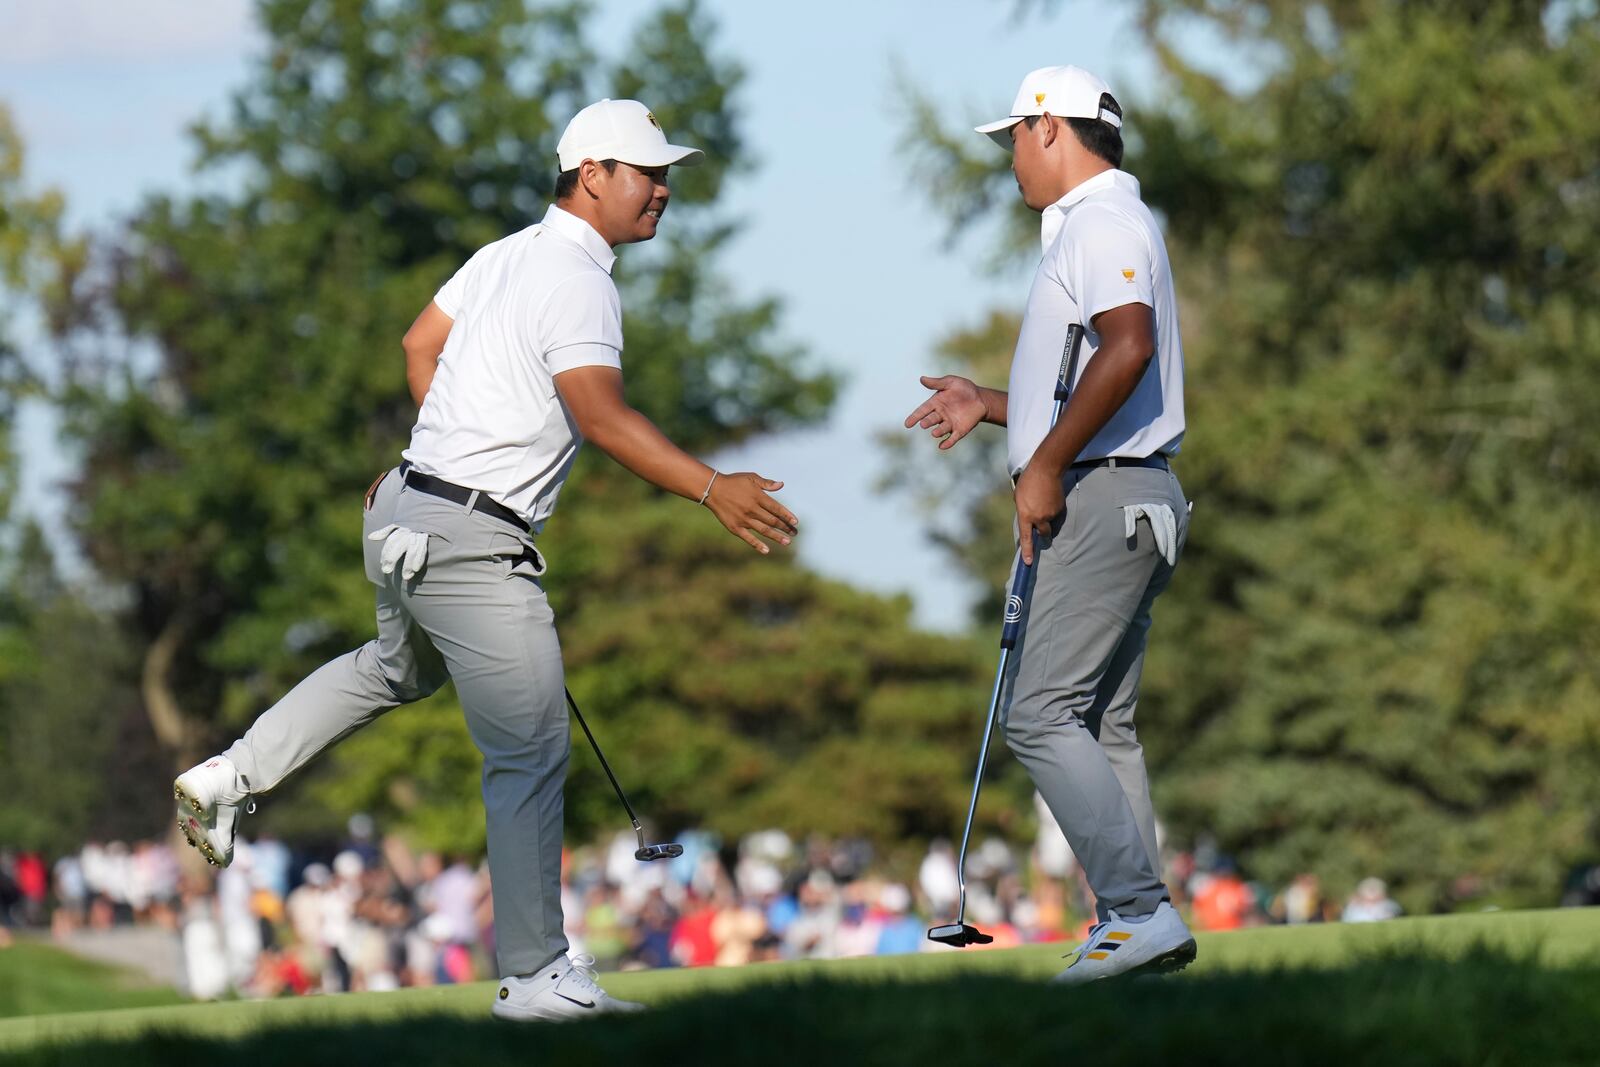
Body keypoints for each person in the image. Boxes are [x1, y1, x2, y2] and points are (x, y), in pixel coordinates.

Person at [173, 98, 799, 1021]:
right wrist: (711, 486)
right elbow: (602, 416)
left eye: (668, 173)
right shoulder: (583, 278)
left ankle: (230, 773)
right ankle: (536, 974)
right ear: (593, 174)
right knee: (531, 748)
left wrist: (441, 454)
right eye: (648, 172)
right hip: (468, 535)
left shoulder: (504, 253)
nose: (664, 189)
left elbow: (418, 343)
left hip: (403, 509)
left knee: (392, 668)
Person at [904, 65, 1195, 983]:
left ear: (1050, 130)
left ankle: (1139, 911)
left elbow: (1129, 344)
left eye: (1013, 143)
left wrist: (1040, 464)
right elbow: (1096, 376)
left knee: (1037, 713)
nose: (1012, 163)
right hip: (1131, 488)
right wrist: (993, 404)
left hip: (1101, 495)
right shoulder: (1100, 222)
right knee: (1102, 725)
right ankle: (1135, 922)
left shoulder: (1101, 219)